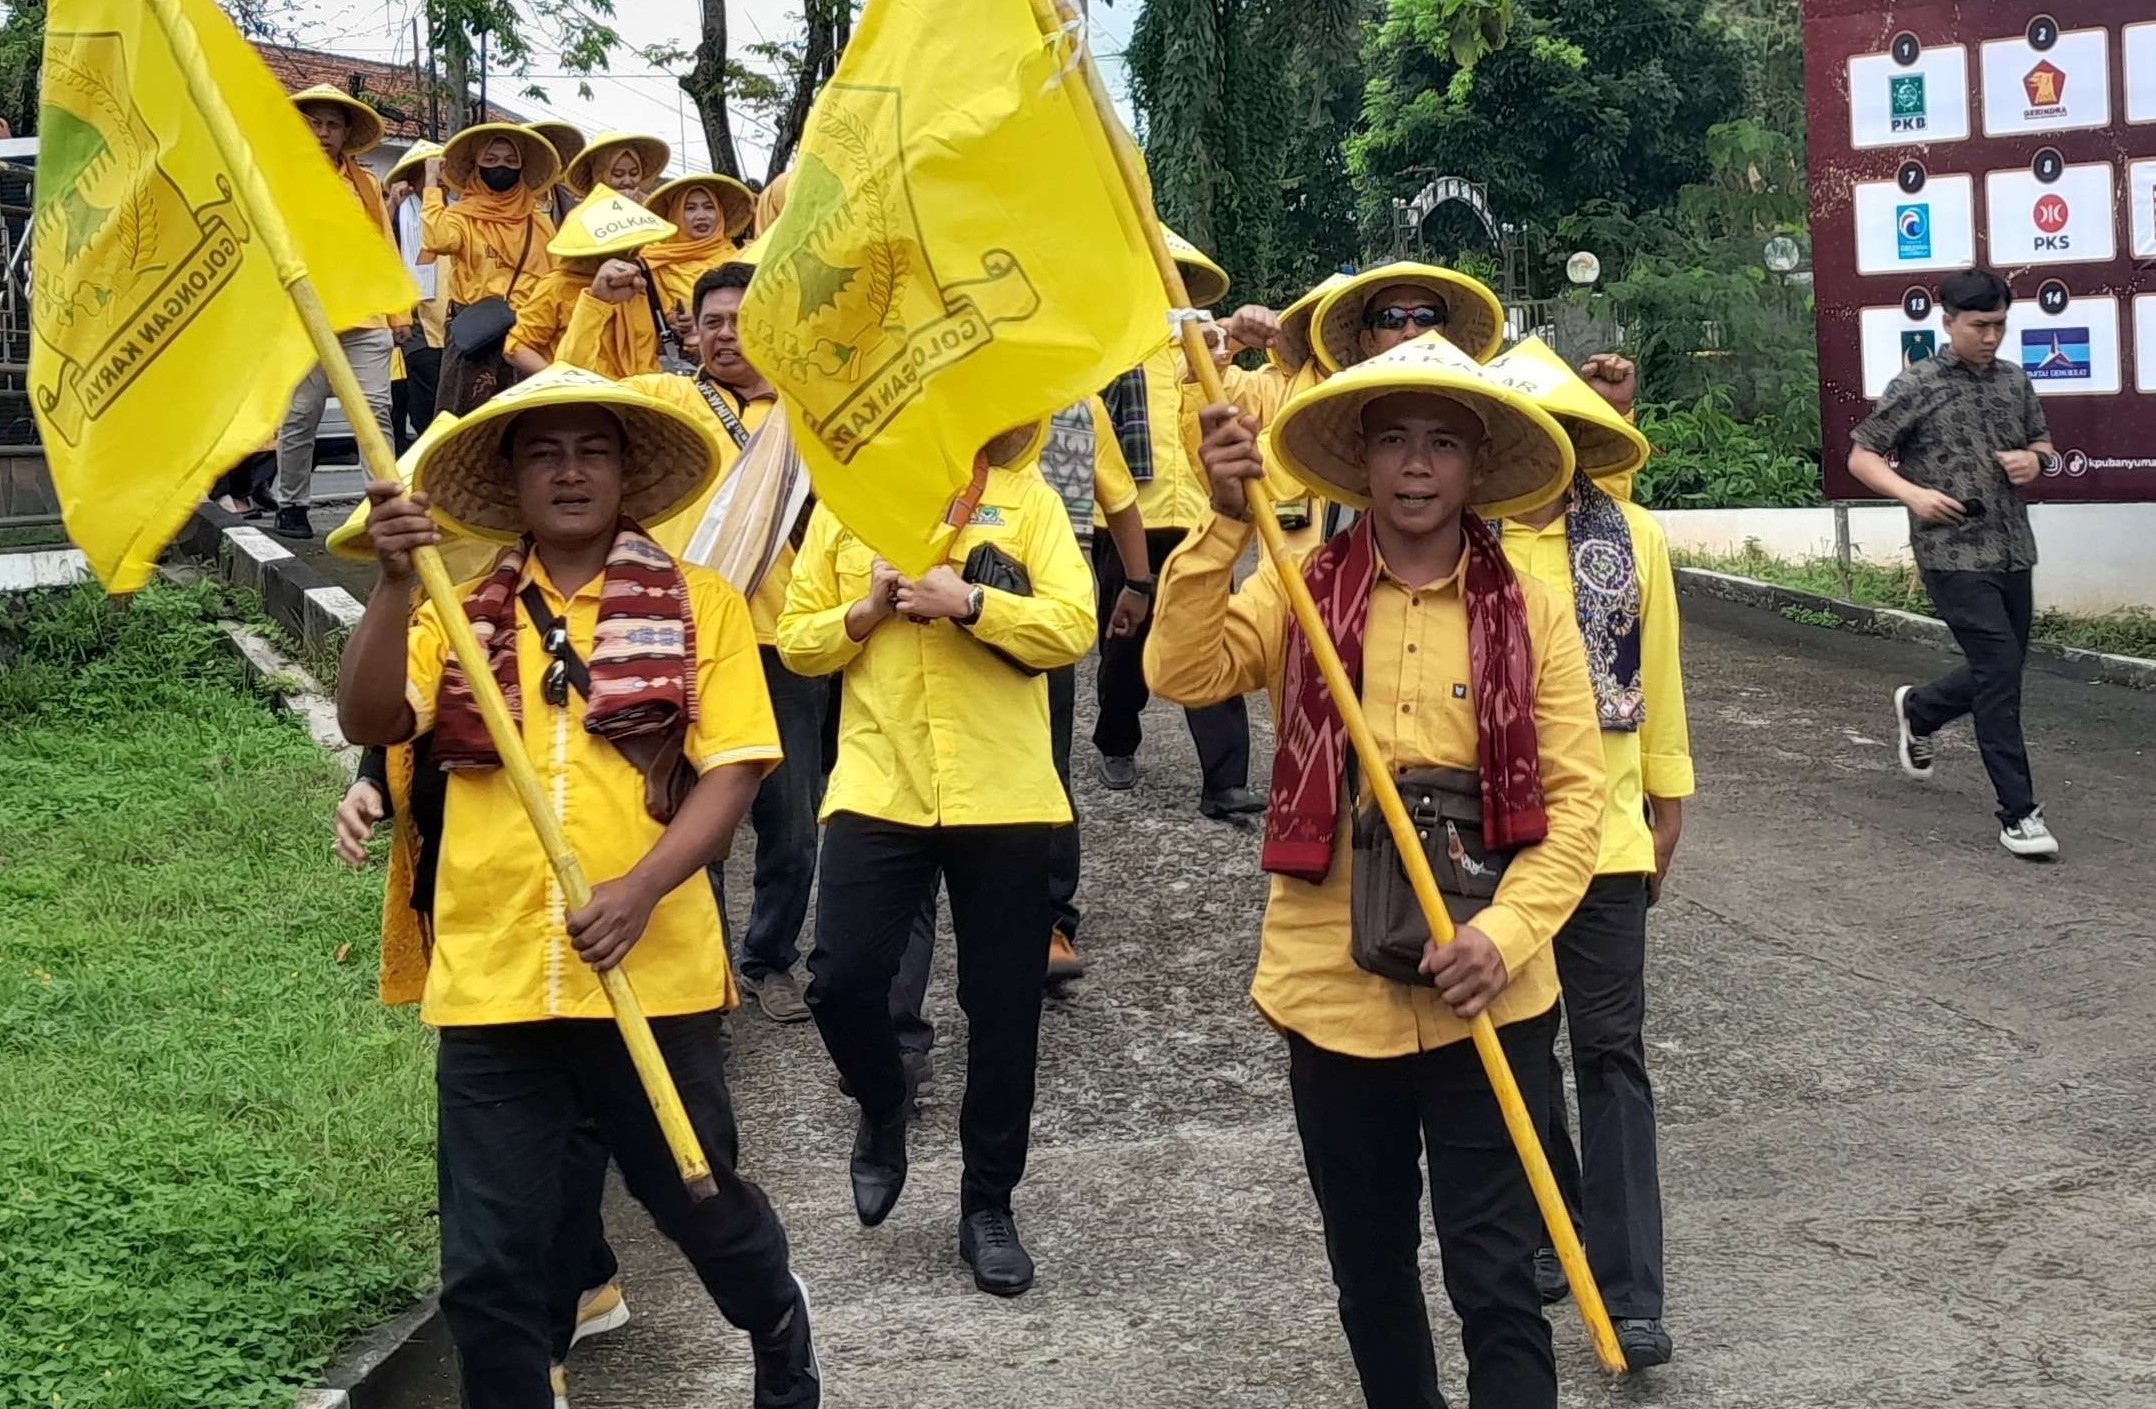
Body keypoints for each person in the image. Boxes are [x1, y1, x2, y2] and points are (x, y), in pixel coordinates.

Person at [335, 365, 822, 1409]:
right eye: (542, 451)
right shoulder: (460, 614)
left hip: (649, 973)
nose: (566, 470)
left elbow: (732, 766)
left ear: (625, 472)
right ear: (509, 478)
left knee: (696, 1199)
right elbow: (373, 719)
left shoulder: (703, 607)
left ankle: (776, 1316)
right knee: (487, 1260)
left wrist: (643, 886)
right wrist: (391, 585)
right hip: (493, 976)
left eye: (589, 449)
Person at [1147, 333, 1606, 1409]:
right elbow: (1180, 669)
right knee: (1370, 1272)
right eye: (1392, 440)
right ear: (1357, 462)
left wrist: (1501, 935)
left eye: (1441, 442)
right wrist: (1221, 522)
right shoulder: (1299, 593)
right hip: (1327, 990)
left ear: (1473, 465)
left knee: (1496, 1279)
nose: (1413, 464)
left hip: (1486, 996)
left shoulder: (1530, 609)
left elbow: (1579, 800)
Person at [776, 425, 1096, 1297]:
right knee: (841, 981)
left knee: (1003, 1011)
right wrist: (865, 611)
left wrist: (973, 605)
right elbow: (797, 638)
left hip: (1007, 791)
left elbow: (1074, 625)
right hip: (882, 783)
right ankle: (883, 1104)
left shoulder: (1026, 502)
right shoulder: (848, 508)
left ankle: (988, 1202)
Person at [1485, 339, 1691, 1371]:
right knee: (1517, 1059)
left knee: (1611, 1057)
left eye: (1560, 438)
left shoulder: (1632, 537)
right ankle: (1553, 1222)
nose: (1542, 457)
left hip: (1605, 833)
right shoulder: (1457, 545)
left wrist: (1669, 792)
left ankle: (1629, 1292)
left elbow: (1657, 669)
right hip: (1491, 842)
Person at [628, 262, 821, 1024]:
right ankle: (702, 964)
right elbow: (583, 388)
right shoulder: (671, 399)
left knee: (791, 816)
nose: (726, 332)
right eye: (712, 320)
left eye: (744, 319)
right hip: (680, 637)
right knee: (676, 808)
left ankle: (770, 957)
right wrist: (594, 305)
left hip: (778, 642)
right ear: (691, 330)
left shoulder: (810, 421)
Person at [1849, 268, 2060, 860]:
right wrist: (1913, 496)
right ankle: (2019, 813)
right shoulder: (1917, 383)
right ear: (1948, 323)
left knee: (2003, 668)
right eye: (1978, 326)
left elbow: (2044, 445)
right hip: (1950, 552)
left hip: (2012, 548)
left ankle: (1920, 708)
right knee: (1998, 670)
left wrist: (2034, 461)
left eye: (1999, 325)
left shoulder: (2016, 382)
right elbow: (1862, 456)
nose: (1990, 337)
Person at [1092, 231, 1259, 819]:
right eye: (1162, 279)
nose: (1172, 290)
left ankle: (1225, 780)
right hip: (1124, 517)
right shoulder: (1109, 346)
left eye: (1181, 281)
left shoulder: (1207, 358)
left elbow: (1234, 420)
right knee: (1122, 647)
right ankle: (1116, 739)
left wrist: (1215, 358)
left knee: (1209, 634)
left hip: (1196, 514)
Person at [268, 86, 405, 540]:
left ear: (345, 132)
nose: (323, 132)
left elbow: (383, 247)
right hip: (302, 318)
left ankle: (384, 509)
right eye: (314, 123)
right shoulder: (276, 179)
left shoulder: (365, 184)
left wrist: (398, 314)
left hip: (364, 318)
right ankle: (291, 504)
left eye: (332, 124)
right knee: (300, 415)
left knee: (374, 414)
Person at [423, 124, 561, 415]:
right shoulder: (462, 217)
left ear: (522, 168)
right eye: (491, 160)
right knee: (462, 423)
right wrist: (432, 184)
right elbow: (437, 239)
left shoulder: (539, 224)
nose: (501, 167)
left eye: (511, 161)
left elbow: (555, 281)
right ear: (476, 166)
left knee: (527, 423)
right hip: (476, 337)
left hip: (527, 340)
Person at [507, 186, 677, 380]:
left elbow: (661, 327)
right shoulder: (557, 286)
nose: (632, 253)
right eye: (622, 248)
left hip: (643, 395)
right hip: (588, 401)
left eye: (633, 246)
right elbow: (518, 347)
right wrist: (558, 382)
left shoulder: (642, 278)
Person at [640, 175, 757, 350]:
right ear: (675, 216)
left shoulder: (746, 257)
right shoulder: (653, 264)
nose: (701, 216)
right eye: (690, 208)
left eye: (709, 207)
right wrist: (674, 321)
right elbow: (646, 322)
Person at [385, 140, 448, 451]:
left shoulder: (457, 216)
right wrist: (393, 206)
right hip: (416, 326)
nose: (437, 181)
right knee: (425, 406)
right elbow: (377, 248)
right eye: (429, 175)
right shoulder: (398, 217)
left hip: (455, 324)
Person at [565, 132, 670, 202]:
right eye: (618, 174)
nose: (627, 181)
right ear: (600, 175)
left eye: (634, 173)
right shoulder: (582, 213)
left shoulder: (651, 208)